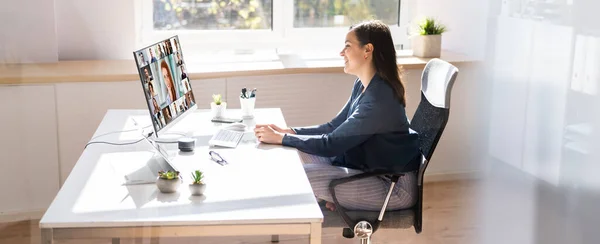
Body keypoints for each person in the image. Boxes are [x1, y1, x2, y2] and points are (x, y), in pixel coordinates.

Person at [253, 20, 421, 212]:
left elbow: (332, 143)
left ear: (367, 50)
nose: (342, 53)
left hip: (393, 188)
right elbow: (333, 127)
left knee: (297, 175)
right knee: (295, 149)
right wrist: (289, 132)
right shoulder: (364, 85)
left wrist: (283, 138)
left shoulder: (379, 99)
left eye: (347, 46)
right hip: (369, 171)